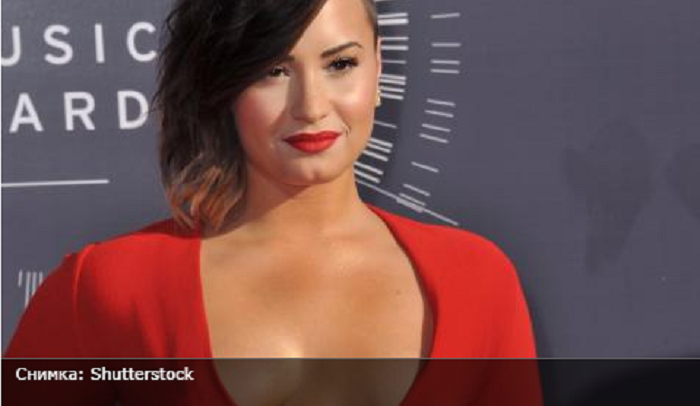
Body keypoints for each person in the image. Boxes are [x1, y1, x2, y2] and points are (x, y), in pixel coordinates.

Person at [5, 0, 542, 404]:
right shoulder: (110, 286)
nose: (311, 106)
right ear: (223, 86)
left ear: (379, 67)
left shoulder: (478, 279)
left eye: (340, 64)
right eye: (273, 71)